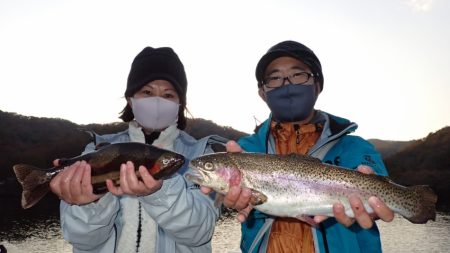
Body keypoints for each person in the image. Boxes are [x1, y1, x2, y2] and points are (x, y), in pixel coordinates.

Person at [202, 40, 395, 253]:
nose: (286, 83)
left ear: (318, 85)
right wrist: (225, 199)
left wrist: (376, 200)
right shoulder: (244, 150)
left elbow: (377, 182)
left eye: (298, 75)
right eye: (274, 78)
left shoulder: (356, 147)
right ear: (262, 92)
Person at [49, 46, 227, 253]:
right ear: (130, 100)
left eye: (168, 95)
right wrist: (89, 204)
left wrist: (160, 192)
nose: (158, 101)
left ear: (180, 104)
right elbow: (81, 240)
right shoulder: (97, 149)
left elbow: (200, 233)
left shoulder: (204, 157)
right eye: (147, 92)